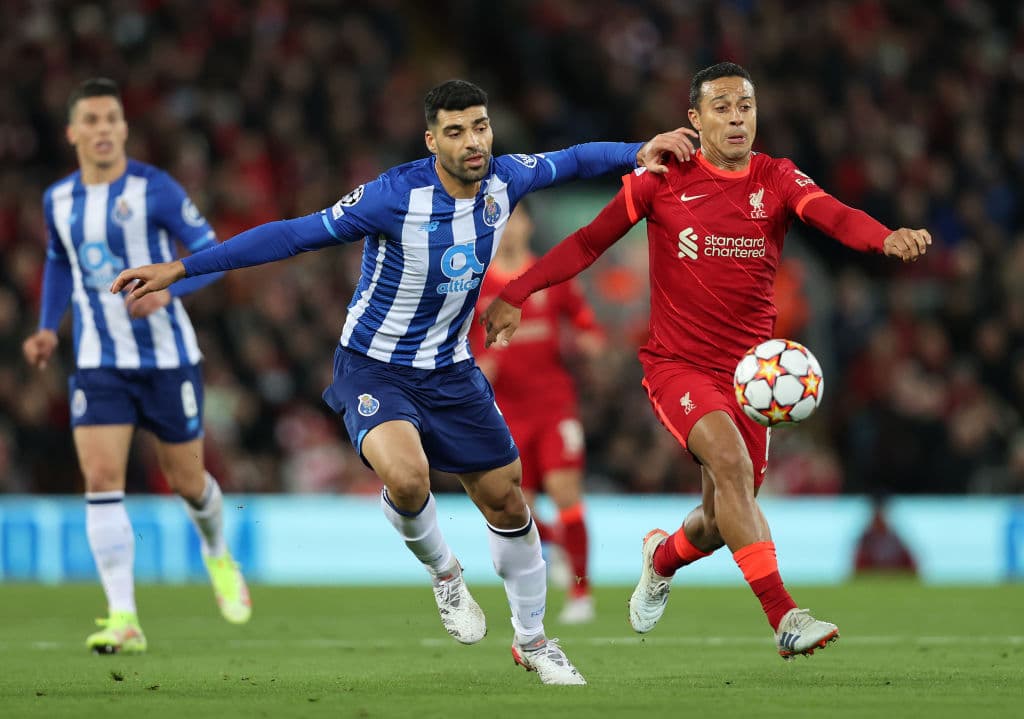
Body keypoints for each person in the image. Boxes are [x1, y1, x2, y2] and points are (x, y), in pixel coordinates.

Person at [110, 79, 695, 684]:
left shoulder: (506, 178)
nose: (474, 142)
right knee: (410, 477)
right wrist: (181, 267)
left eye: (481, 126)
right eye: (457, 131)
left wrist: (637, 150)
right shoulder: (393, 197)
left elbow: (573, 160)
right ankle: (446, 575)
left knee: (508, 499)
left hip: (451, 369)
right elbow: (292, 234)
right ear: (431, 139)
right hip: (374, 366)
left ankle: (534, 640)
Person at [481, 62, 931, 660]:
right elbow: (589, 241)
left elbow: (834, 213)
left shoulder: (777, 178)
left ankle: (662, 557)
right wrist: (517, 291)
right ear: (694, 119)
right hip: (678, 366)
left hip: (753, 376)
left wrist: (883, 236)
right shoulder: (662, 179)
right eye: (721, 106)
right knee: (729, 464)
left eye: (745, 105)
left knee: (722, 516)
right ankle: (785, 617)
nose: (737, 117)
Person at [21, 78, 252, 654]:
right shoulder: (58, 200)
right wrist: (49, 327)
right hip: (99, 363)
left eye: (111, 119)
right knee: (101, 479)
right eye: (91, 121)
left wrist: (170, 293)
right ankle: (123, 616)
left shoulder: (156, 189)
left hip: (167, 360)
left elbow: (214, 256)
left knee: (187, 482)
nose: (103, 130)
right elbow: (58, 262)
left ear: (124, 128)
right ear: (73, 132)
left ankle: (218, 553)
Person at [469, 202, 602, 625]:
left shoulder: (550, 276)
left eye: (515, 219)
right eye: (499, 223)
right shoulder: (477, 287)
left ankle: (581, 593)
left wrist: (589, 340)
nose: (508, 229)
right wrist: (480, 365)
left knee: (566, 494)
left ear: (528, 224)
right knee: (516, 506)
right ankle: (563, 546)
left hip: (553, 405)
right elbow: (468, 346)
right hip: (505, 413)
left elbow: (586, 324)